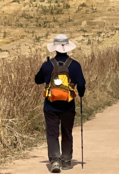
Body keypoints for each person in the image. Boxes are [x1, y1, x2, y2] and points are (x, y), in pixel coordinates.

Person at [35, 34, 86, 173]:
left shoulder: (47, 65)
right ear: (68, 48)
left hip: (50, 105)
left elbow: (37, 80)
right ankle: (67, 160)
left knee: (52, 133)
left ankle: (55, 160)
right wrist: (80, 93)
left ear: (55, 49)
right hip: (68, 105)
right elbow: (81, 84)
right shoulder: (75, 65)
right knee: (67, 132)